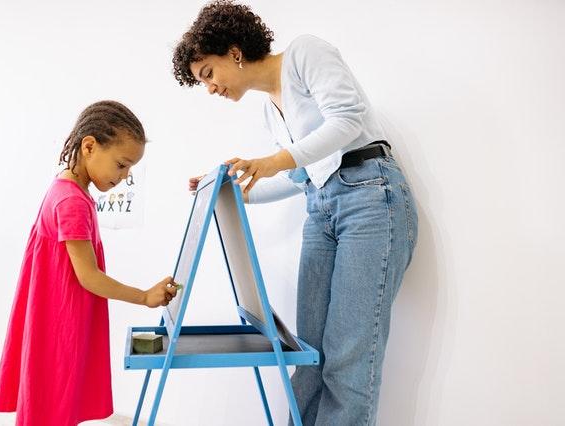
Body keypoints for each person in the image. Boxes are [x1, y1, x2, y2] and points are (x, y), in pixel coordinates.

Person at [173, 2, 418, 425]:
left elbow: (346, 119)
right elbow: (304, 174)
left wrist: (271, 162)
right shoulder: (271, 108)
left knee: (348, 358)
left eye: (208, 74)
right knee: (308, 354)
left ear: (234, 52)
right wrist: (235, 193)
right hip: (321, 208)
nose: (210, 88)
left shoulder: (305, 53)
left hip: (370, 198)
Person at [0, 100, 178, 425]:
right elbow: (89, 277)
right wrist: (144, 297)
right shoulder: (72, 203)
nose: (124, 176)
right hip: (59, 322)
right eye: (121, 165)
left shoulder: (66, 190)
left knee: (54, 403)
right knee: (56, 401)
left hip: (54, 315)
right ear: (90, 146)